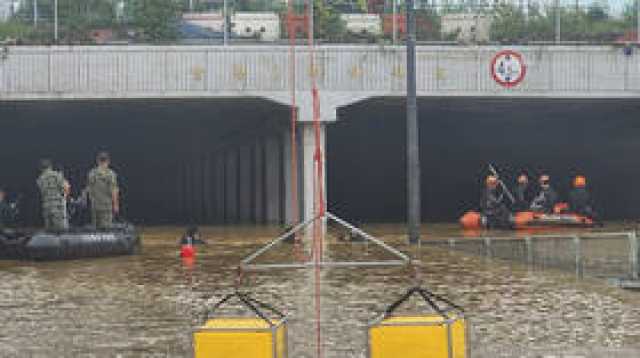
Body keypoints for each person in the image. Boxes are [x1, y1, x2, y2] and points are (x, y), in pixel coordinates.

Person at [87, 151, 119, 230]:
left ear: (97, 161)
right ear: (108, 161)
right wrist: (115, 205)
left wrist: (92, 200)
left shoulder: (92, 173)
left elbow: (89, 190)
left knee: (95, 230)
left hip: (95, 206)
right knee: (106, 230)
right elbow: (114, 191)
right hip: (106, 206)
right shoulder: (110, 174)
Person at [36, 159, 69, 231]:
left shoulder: (39, 179)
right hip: (57, 206)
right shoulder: (56, 175)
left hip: (46, 206)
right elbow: (66, 187)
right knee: (61, 230)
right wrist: (64, 197)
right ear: (50, 166)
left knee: (49, 231)